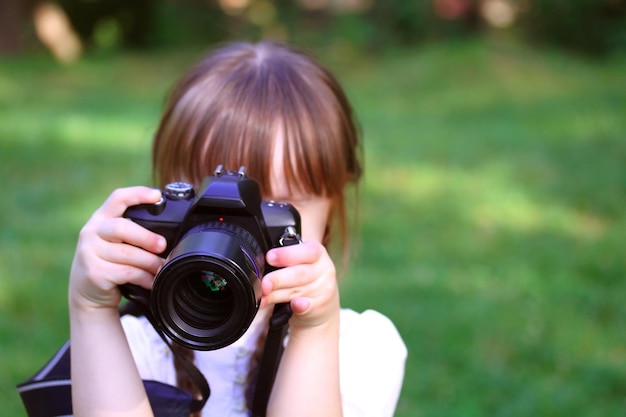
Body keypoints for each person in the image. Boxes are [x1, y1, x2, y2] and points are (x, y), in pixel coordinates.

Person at [68, 40, 406, 417]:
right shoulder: (130, 346)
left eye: (277, 203)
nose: (236, 230)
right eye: (208, 202)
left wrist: (313, 331)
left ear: (332, 205)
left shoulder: (362, 349)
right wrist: (91, 311)